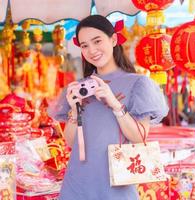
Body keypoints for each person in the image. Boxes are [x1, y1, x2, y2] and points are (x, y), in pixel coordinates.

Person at [48, 15, 168, 200]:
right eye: (84, 45)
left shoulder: (138, 83)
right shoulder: (79, 87)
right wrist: (74, 109)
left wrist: (114, 103)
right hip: (77, 183)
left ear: (113, 40)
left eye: (97, 41)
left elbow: (140, 137)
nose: (92, 50)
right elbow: (72, 143)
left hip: (116, 182)